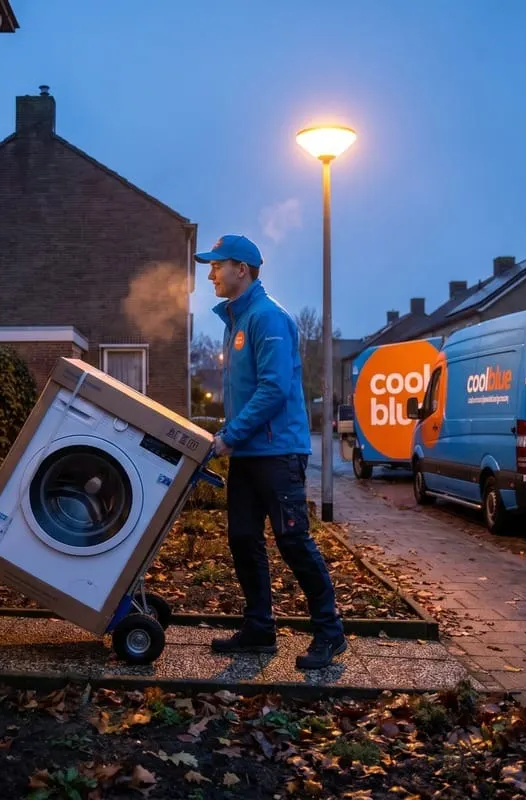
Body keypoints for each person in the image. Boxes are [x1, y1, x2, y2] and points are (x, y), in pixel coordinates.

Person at [196, 234, 346, 670]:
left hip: (278, 453)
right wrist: (235, 438)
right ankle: (260, 629)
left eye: (216, 265)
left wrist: (229, 435)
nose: (210, 273)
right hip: (249, 453)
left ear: (241, 269)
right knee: (242, 538)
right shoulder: (237, 322)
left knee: (293, 539)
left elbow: (275, 389)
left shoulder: (267, 318)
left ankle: (330, 633)